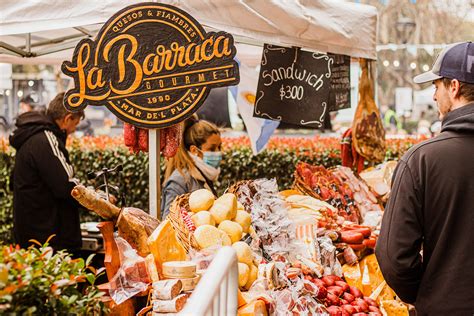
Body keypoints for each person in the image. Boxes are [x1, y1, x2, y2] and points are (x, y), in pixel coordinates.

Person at [375, 42, 474, 315]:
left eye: (437, 86)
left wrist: (429, 292)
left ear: (453, 87)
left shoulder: (421, 159)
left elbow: (393, 257)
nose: (433, 96)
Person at [9, 92, 84, 253]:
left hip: (32, 232)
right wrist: (95, 199)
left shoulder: (34, 135)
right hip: (46, 237)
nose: (73, 130)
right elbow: (66, 185)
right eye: (75, 124)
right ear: (67, 118)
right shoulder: (45, 139)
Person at [161, 116, 222, 219]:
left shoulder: (203, 176)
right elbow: (168, 222)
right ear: (194, 150)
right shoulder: (179, 181)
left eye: (219, 147)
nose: (218, 153)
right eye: (212, 149)